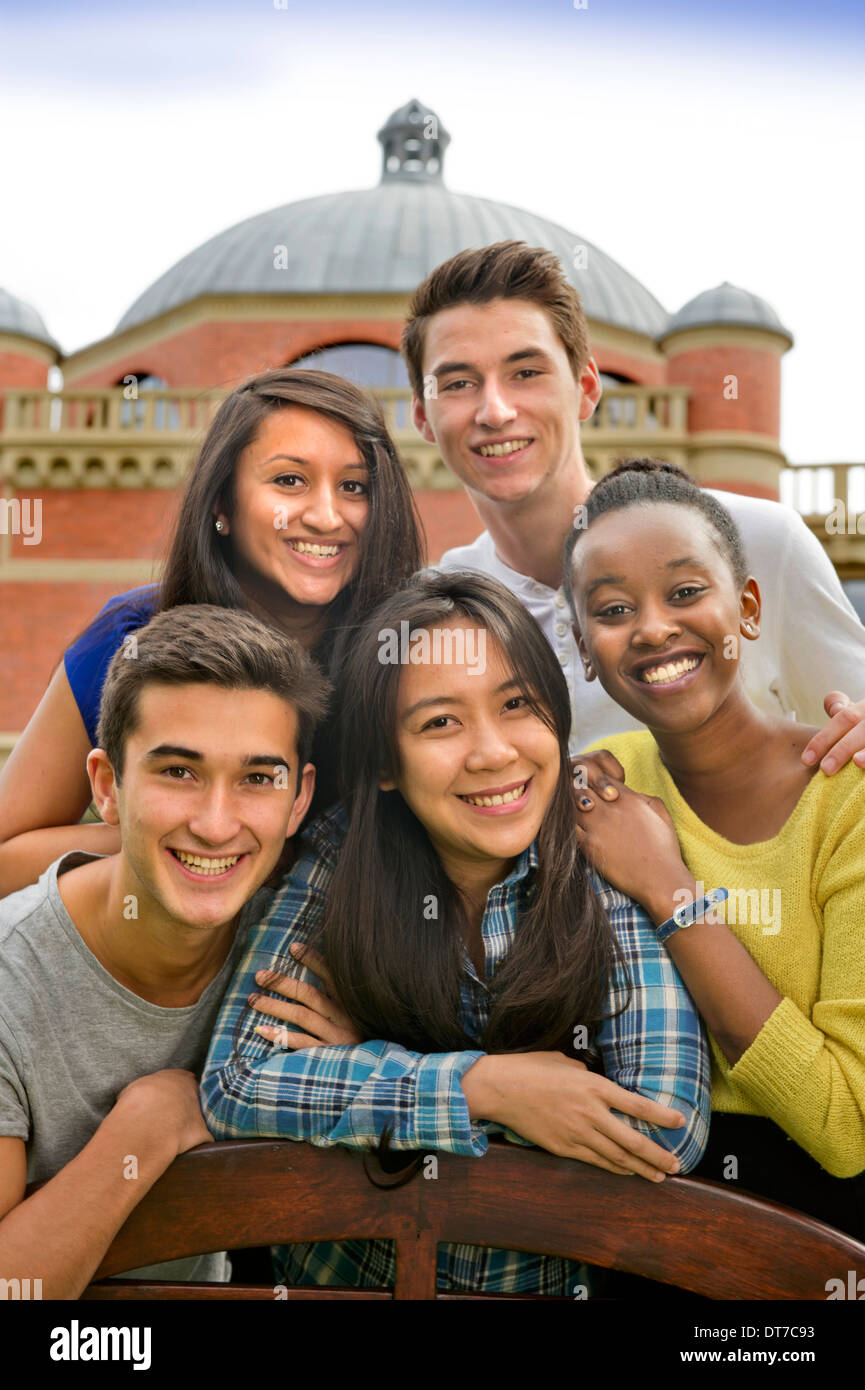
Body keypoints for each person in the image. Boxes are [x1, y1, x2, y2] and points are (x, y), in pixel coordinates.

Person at [201, 571, 710, 1295]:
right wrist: (485, 1086)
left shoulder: (598, 862)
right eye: (440, 722)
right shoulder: (340, 859)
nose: (493, 752)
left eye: (516, 706)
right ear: (382, 761)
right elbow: (238, 1082)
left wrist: (369, 1070)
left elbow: (663, 1129)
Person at [403, 239, 865, 766]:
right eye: (459, 383)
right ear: (421, 415)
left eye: (526, 373)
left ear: (586, 386)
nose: (495, 410)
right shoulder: (442, 608)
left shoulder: (759, 542)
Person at [565, 459, 865, 1240]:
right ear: (584, 648)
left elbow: (843, 1125)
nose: (654, 626)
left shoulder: (849, 793)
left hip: (814, 1245)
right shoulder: (593, 792)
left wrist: (666, 885)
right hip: (624, 1226)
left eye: (686, 592)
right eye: (613, 608)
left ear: (750, 607)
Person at [0, 604, 328, 1298]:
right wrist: (148, 1127)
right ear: (107, 786)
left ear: (298, 799)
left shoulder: (303, 949)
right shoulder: (11, 979)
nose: (215, 824)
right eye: (178, 772)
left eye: (257, 778)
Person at [0, 367, 424, 896]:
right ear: (223, 503)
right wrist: (192, 840)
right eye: (289, 480)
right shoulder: (130, 635)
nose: (325, 515)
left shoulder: (412, 652)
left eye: (353, 487)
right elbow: (7, 856)